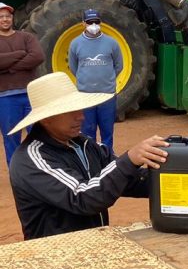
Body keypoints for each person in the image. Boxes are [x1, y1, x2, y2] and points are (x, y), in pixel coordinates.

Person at [9, 72, 169, 240]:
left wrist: (177, 176)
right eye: (70, 111)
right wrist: (129, 160)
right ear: (46, 119)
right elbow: (83, 198)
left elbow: (130, 180)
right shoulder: (31, 160)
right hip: (54, 252)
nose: (81, 116)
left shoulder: (83, 144)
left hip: (92, 246)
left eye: (79, 108)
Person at [68, 8, 123, 150]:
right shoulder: (75, 44)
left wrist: (107, 80)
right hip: (85, 96)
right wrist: (85, 81)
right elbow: (73, 67)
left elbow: (119, 65)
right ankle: (90, 158)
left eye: (96, 22)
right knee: (87, 133)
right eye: (90, 22)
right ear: (83, 23)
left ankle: (107, 158)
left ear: (101, 22)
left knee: (107, 132)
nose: (93, 25)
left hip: (107, 95)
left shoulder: (111, 43)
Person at [0, 2, 44, 164]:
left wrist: (9, 68)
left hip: (30, 95)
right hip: (5, 98)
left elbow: (37, 56)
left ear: (12, 18)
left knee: (37, 136)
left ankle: (38, 169)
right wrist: (20, 54)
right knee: (11, 137)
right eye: (1, 17)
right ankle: (15, 172)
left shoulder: (26, 37)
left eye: (7, 16)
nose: (5, 19)